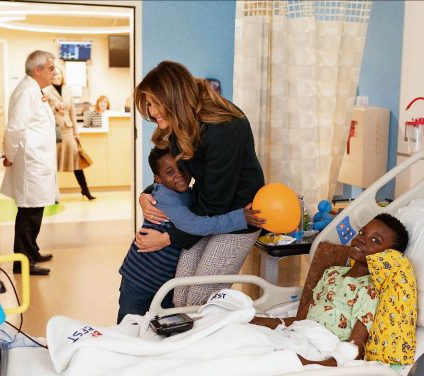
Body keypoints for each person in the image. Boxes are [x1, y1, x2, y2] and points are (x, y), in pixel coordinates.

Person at [134, 61, 265, 307]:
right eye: (149, 104)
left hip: (238, 217)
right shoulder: (179, 121)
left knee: (199, 300)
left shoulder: (224, 128)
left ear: (172, 97)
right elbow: (168, 171)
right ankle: (184, 343)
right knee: (181, 294)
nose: (151, 112)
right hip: (204, 212)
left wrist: (168, 238)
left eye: (153, 103)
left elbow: (218, 201)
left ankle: (207, 343)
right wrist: (147, 193)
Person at [117, 147, 263, 323]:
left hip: (164, 283)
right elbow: (196, 225)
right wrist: (239, 218)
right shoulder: (164, 197)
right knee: (128, 326)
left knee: (161, 328)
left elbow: (209, 212)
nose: (179, 174)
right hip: (139, 280)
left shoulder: (189, 194)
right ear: (158, 179)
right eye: (170, 172)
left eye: (182, 167)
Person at [251, 213, 409, 366]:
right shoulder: (332, 273)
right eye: (362, 232)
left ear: (388, 257)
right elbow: (300, 320)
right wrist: (259, 321)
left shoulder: (370, 290)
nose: (362, 239)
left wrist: (312, 364)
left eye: (375, 240)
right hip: (295, 334)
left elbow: (354, 346)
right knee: (243, 338)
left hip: (321, 348)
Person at [1, 50, 57, 276]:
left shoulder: (35, 90)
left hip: (38, 161)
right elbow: (15, 127)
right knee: (28, 213)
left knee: (36, 210)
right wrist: (10, 154)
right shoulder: (26, 91)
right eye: (51, 68)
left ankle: (32, 252)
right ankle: (22, 262)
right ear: (37, 70)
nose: (54, 72)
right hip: (31, 162)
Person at [43, 67, 95, 200]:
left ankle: (85, 190)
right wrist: (54, 108)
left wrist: (76, 132)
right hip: (54, 131)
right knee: (52, 164)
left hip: (68, 131)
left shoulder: (67, 90)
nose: (56, 76)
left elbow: (72, 112)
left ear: (62, 75)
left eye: (58, 73)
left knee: (76, 163)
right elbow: (42, 111)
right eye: (53, 74)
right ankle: (52, 196)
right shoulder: (45, 91)